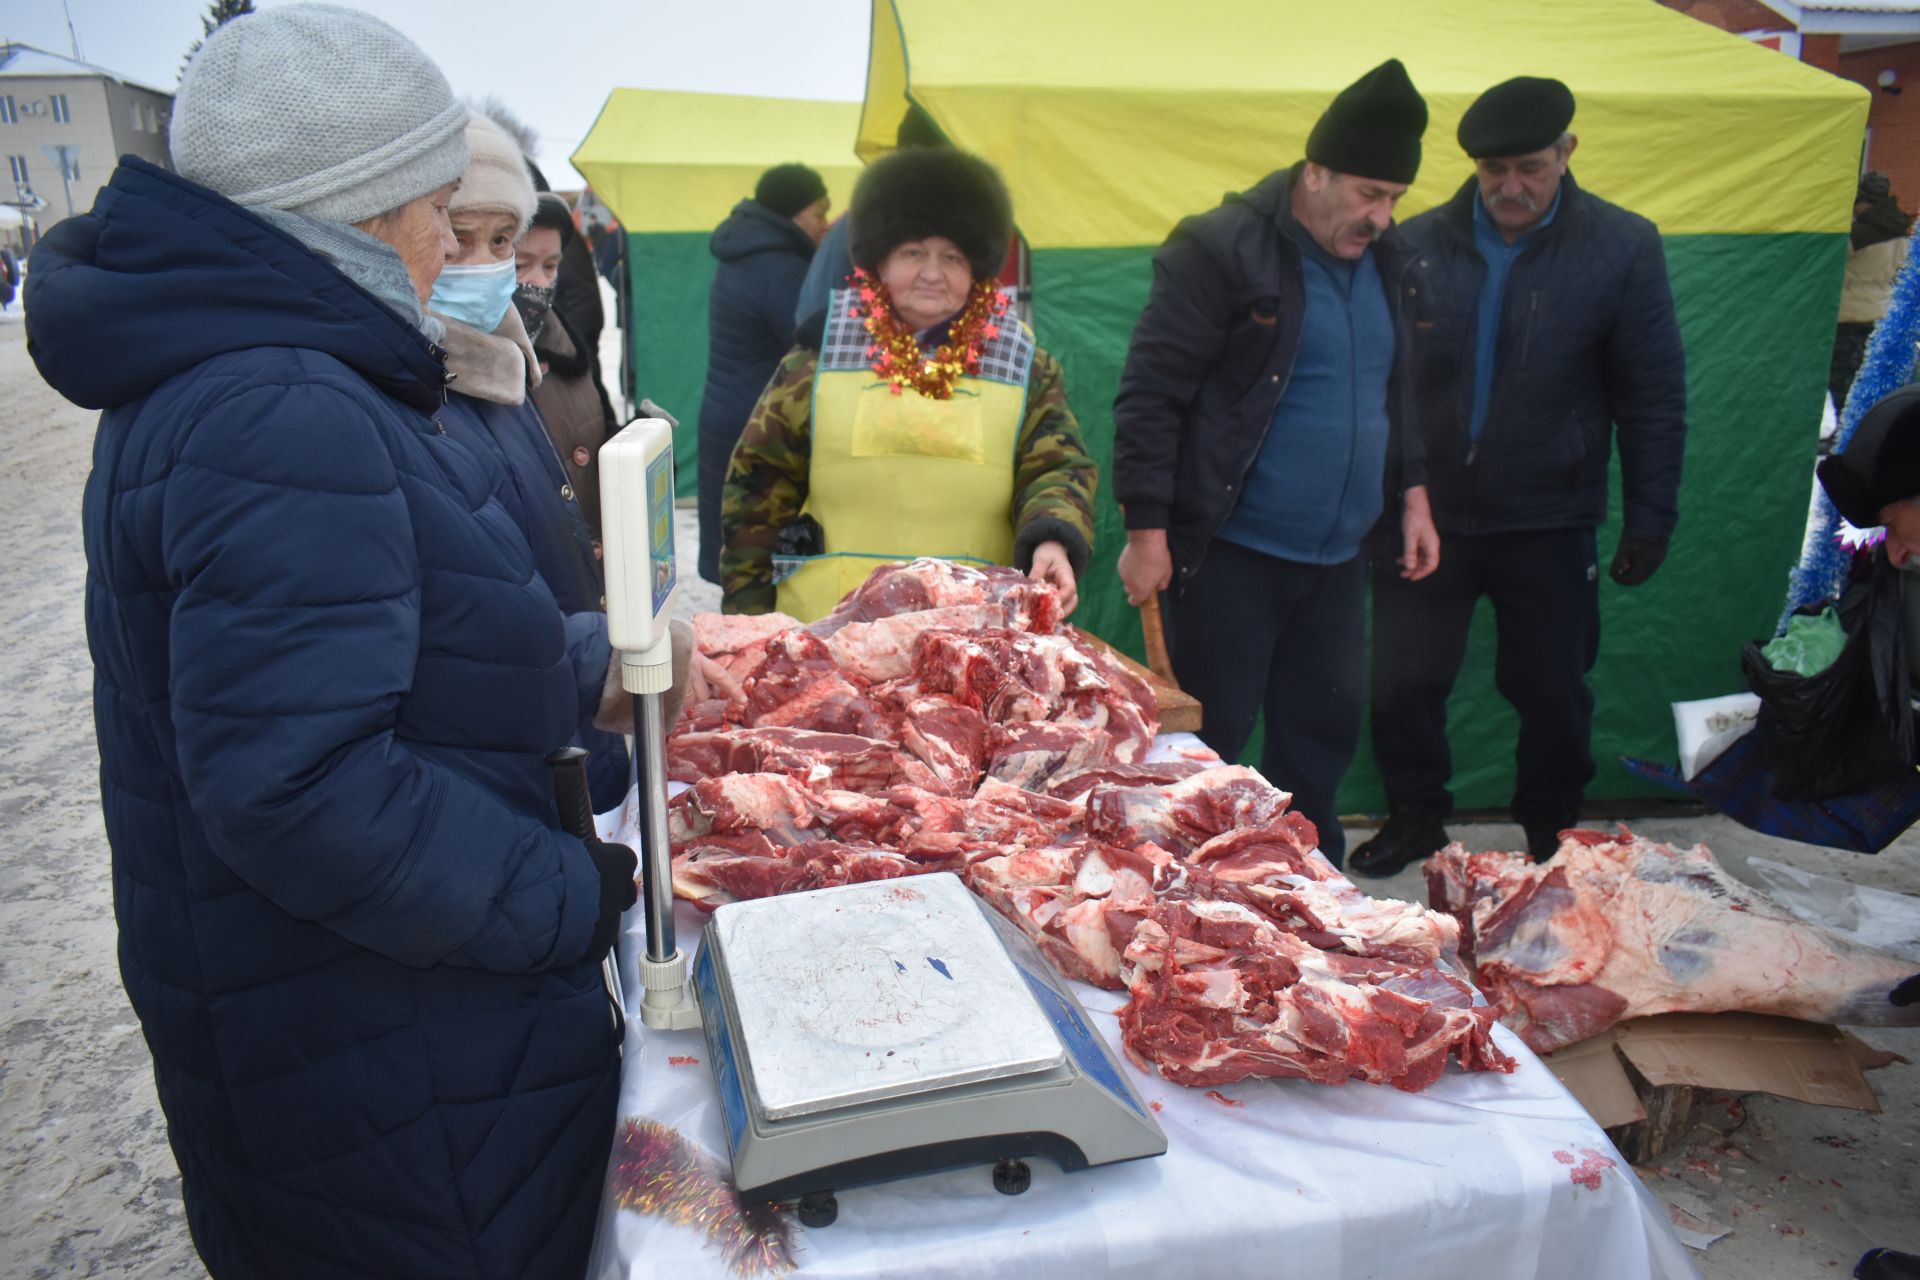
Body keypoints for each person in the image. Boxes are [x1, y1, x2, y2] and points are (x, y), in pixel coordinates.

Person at [24, 7, 654, 1276]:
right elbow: (301, 785)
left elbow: (411, 630)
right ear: (353, 211)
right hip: (382, 1050)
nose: (453, 240)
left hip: (371, 1022)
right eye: (435, 207)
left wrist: (595, 673)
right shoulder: (277, 401)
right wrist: (566, 898)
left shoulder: (298, 369)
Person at [1350, 76, 1687, 876]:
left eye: (1530, 167)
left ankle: (1551, 832)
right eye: (1493, 168)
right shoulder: (1415, 243)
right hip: (1425, 513)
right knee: (1404, 683)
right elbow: (1383, 384)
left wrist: (1651, 517)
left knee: (1551, 690)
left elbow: (1653, 394)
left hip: (1550, 512)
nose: (1510, 187)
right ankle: (1416, 818)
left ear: (1567, 153)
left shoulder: (1623, 246)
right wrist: (1393, 496)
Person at [1111, 59, 1439, 869]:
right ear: (1314, 172)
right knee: (1208, 735)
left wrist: (1415, 493)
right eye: (1369, 193)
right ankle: (1189, 892)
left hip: (1337, 559)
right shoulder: (1221, 248)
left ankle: (1309, 887)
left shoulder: (1390, 263)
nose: (1383, 216)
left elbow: (1398, 390)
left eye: (1395, 198)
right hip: (1231, 550)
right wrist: (1146, 528)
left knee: (1320, 739)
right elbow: (1151, 393)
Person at [721, 146, 1096, 621]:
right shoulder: (815, 360)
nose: (932, 274)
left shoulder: (1025, 366)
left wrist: (1053, 537)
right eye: (913, 252)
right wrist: (747, 616)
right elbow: (756, 489)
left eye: (953, 257)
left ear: (977, 270)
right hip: (825, 637)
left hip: (978, 638)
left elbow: (1060, 469)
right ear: (880, 260)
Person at [430, 114, 630, 803]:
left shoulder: (516, 364)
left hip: (565, 736)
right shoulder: (406, 391)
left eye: (501, 242)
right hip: (508, 769)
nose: (484, 267)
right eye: (458, 240)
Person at [696, 163, 828, 584]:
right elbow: (811, 341)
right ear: (794, 213)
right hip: (758, 424)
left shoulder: (745, 252)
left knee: (736, 549)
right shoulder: (781, 267)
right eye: (820, 213)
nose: (825, 225)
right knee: (761, 563)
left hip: (726, 412)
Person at [520, 192, 619, 542]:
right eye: (519, 265)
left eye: (551, 266)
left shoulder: (567, 347)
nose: (540, 283)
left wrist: (637, 448)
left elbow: (593, 429)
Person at [1833, 171, 1912, 407]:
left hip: (1849, 316)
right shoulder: (1902, 230)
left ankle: (1842, 436)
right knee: (1868, 382)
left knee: (1841, 385)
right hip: (1880, 314)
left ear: (1865, 202)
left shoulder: (1857, 236)